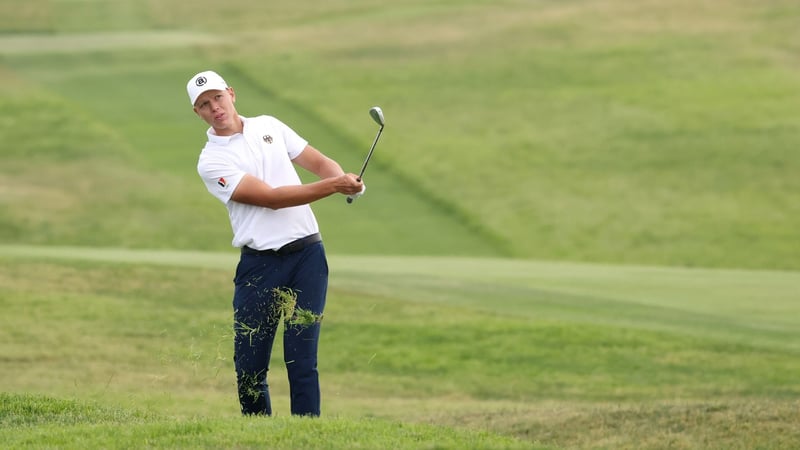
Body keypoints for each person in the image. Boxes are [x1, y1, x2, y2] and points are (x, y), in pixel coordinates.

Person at [186, 70, 364, 416]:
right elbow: (271, 198)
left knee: (302, 357)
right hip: (259, 265)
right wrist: (333, 187)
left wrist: (346, 181)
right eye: (204, 105)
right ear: (198, 113)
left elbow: (319, 162)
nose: (214, 108)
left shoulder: (269, 125)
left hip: (307, 256)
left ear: (232, 94)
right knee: (250, 366)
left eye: (218, 98)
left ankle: (306, 435)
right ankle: (257, 435)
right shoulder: (211, 161)